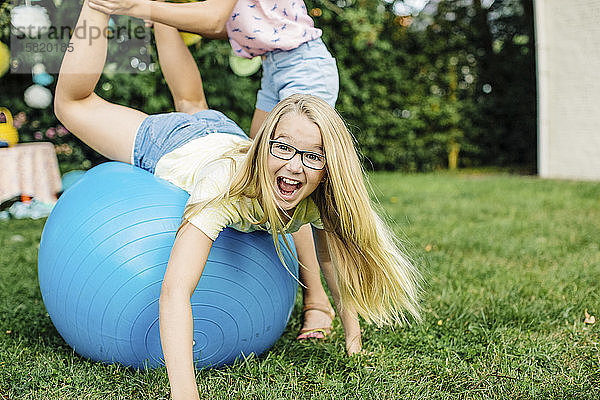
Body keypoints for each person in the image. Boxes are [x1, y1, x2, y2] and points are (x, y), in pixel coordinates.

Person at [55, 3, 421, 399]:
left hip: (224, 134)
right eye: (283, 148)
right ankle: (96, 5)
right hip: (177, 141)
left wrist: (353, 336)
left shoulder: (316, 192)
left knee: (193, 103)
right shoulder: (224, 188)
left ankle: (161, 18)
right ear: (264, 144)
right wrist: (185, 393)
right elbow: (175, 290)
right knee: (73, 104)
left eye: (312, 156)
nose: (296, 168)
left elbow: (333, 259)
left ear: (328, 166)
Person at [87, 0, 340, 341]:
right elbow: (232, 22)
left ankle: (316, 300)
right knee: (259, 168)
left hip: (303, 64)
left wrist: (140, 7)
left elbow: (214, 19)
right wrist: (162, 16)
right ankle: (312, 295)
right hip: (275, 64)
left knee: (288, 179)